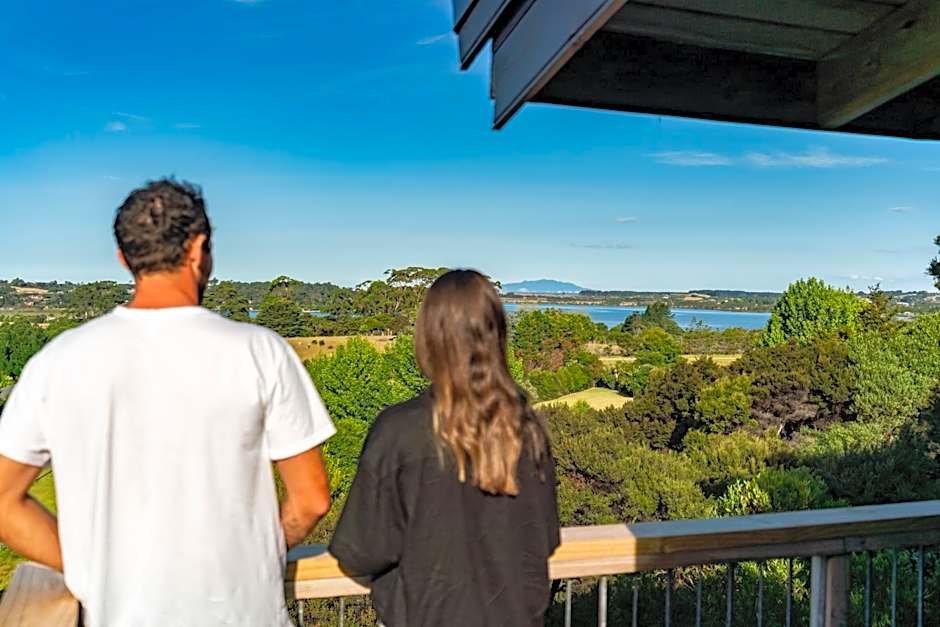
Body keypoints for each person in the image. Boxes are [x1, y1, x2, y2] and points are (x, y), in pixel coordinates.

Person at [0, 179, 335, 626]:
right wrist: (255, 554)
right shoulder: (260, 350)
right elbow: (311, 500)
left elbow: (3, 499)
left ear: (124, 258)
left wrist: (92, 566)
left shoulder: (57, 361)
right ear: (198, 250)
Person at [330, 269, 560, 627]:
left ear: (429, 337)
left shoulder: (399, 431)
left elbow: (360, 552)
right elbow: (542, 541)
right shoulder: (526, 431)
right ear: (497, 336)